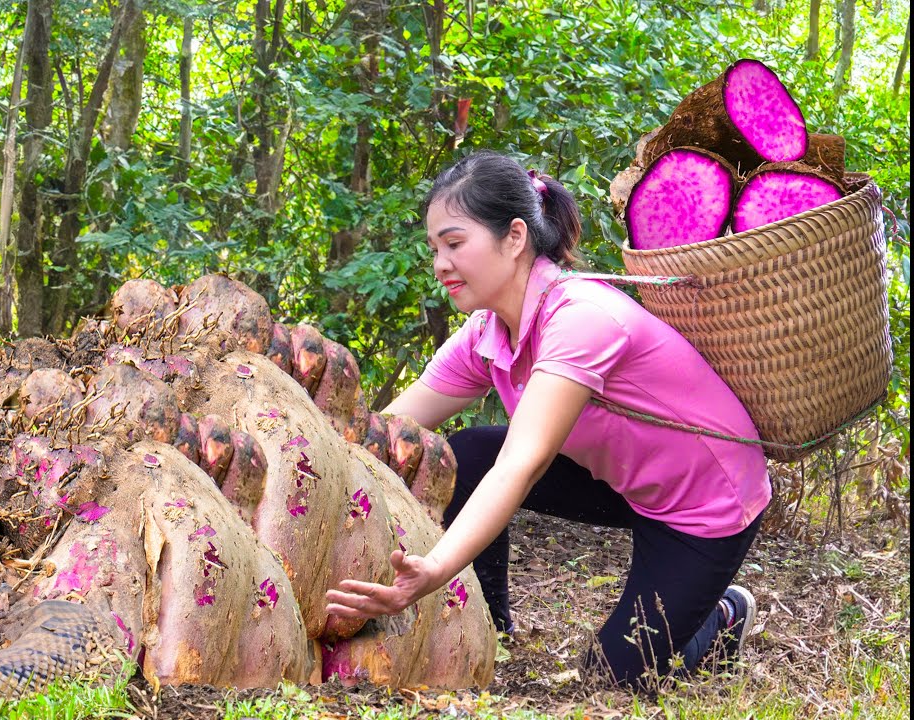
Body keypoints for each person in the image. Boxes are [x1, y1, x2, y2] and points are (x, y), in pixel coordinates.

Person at [324, 150, 771, 687]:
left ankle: (724, 615)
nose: (440, 263)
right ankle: (489, 627)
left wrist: (435, 570)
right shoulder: (487, 333)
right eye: (434, 248)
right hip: (621, 478)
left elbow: (521, 466)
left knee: (614, 677)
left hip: (701, 502)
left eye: (455, 243)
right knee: (460, 456)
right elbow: (392, 429)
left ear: (514, 238)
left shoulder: (581, 318)